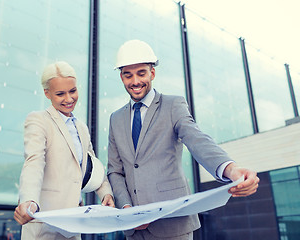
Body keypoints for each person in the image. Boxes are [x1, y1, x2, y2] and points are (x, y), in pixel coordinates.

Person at [107, 39, 259, 240]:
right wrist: (127, 209)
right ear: (121, 77)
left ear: (152, 73)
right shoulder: (115, 119)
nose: (135, 81)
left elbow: (197, 140)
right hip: (135, 229)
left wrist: (231, 169)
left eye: (141, 73)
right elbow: (115, 171)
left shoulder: (173, 105)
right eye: (128, 75)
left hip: (173, 223)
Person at [14, 61, 114, 240]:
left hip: (73, 226)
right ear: (47, 93)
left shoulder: (82, 128)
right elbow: (34, 162)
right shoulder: (38, 120)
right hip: (44, 225)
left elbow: (93, 165)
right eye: (60, 94)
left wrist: (105, 193)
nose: (69, 99)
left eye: (73, 91)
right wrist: (29, 200)